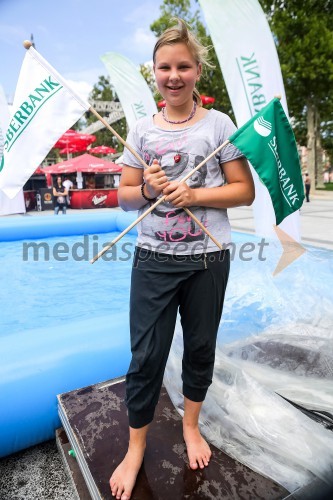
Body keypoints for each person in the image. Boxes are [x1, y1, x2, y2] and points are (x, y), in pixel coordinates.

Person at [110, 19, 255, 500]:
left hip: (207, 259)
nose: (174, 76)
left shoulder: (219, 126)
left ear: (198, 71)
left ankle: (191, 426)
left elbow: (244, 190)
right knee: (145, 355)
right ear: (153, 71)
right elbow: (126, 196)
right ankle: (135, 449)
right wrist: (148, 187)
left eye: (184, 66)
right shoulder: (141, 130)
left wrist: (195, 192)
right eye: (164, 67)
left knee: (199, 347)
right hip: (153, 257)